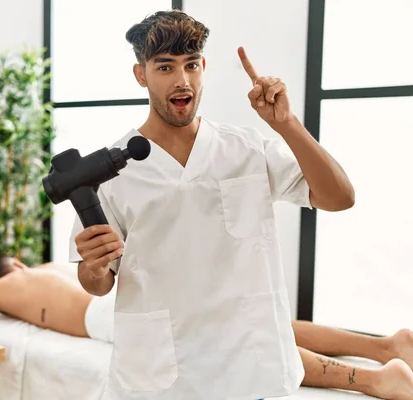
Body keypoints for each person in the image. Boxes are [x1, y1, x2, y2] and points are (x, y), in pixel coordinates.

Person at [67, 9, 355, 400]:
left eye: (191, 65)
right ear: (141, 75)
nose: (182, 80)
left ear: (204, 67)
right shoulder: (110, 169)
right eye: (165, 67)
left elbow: (340, 197)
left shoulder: (246, 147)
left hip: (251, 370)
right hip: (163, 379)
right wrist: (94, 265)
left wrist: (287, 124)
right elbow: (98, 284)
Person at [0, 256, 413, 399]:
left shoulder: (7, 288)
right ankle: (383, 347)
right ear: (20, 262)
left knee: (245, 340)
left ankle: (375, 378)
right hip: (138, 295)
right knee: (263, 324)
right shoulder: (48, 268)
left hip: (116, 316)